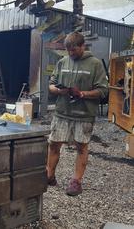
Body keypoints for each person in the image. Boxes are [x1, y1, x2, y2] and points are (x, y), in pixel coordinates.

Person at [47, 32, 108, 196]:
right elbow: (51, 86)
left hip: (84, 114)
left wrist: (82, 94)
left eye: (73, 50)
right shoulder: (62, 62)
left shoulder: (95, 64)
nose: (71, 53)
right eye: (68, 50)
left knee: (81, 147)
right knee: (53, 144)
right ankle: (49, 175)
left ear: (82, 46)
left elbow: (103, 91)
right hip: (62, 113)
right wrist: (61, 90)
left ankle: (76, 182)